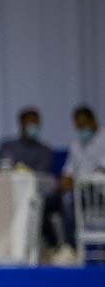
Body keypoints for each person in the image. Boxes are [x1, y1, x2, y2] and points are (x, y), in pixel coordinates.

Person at [45, 104, 105, 257]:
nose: (81, 129)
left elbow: (101, 172)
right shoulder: (76, 145)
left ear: (93, 121)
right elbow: (67, 172)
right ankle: (53, 246)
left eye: (83, 125)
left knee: (68, 200)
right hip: (76, 189)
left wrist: (75, 182)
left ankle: (71, 247)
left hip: (98, 192)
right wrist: (63, 182)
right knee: (45, 200)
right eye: (78, 126)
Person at [0, 106, 54, 175]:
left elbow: (41, 173)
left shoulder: (45, 151)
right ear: (22, 124)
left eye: (36, 123)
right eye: (30, 122)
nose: (34, 126)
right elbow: (3, 170)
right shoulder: (7, 146)